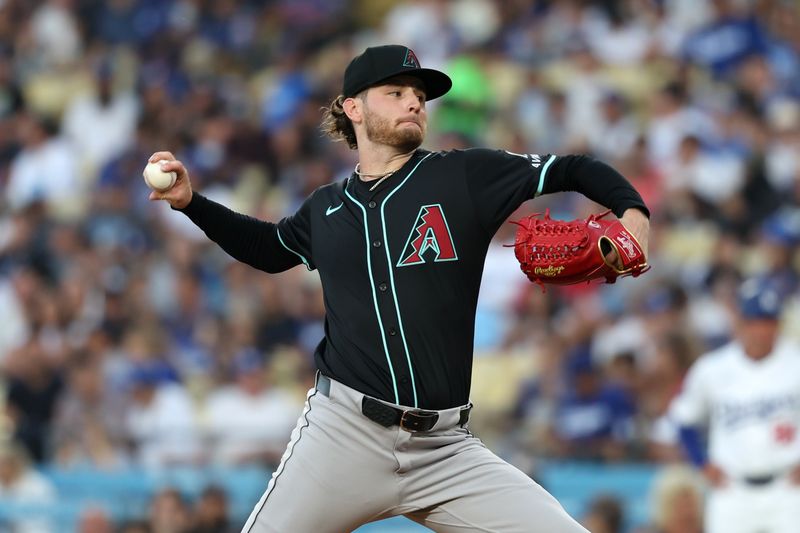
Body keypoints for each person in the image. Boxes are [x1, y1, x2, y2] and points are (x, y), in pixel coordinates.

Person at [149, 44, 650, 532]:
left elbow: (571, 168)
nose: (414, 100)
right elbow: (267, 247)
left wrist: (634, 214)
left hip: (446, 450)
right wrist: (193, 203)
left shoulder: (463, 175)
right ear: (354, 108)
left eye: (419, 93)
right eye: (395, 91)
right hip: (342, 438)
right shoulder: (324, 209)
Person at [669, 277, 800, 533]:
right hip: (732, 490)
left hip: (789, 487)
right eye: (755, 321)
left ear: (779, 324)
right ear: (741, 323)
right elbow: (683, 420)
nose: (762, 330)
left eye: (768, 321)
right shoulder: (713, 369)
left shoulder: (796, 363)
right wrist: (701, 463)